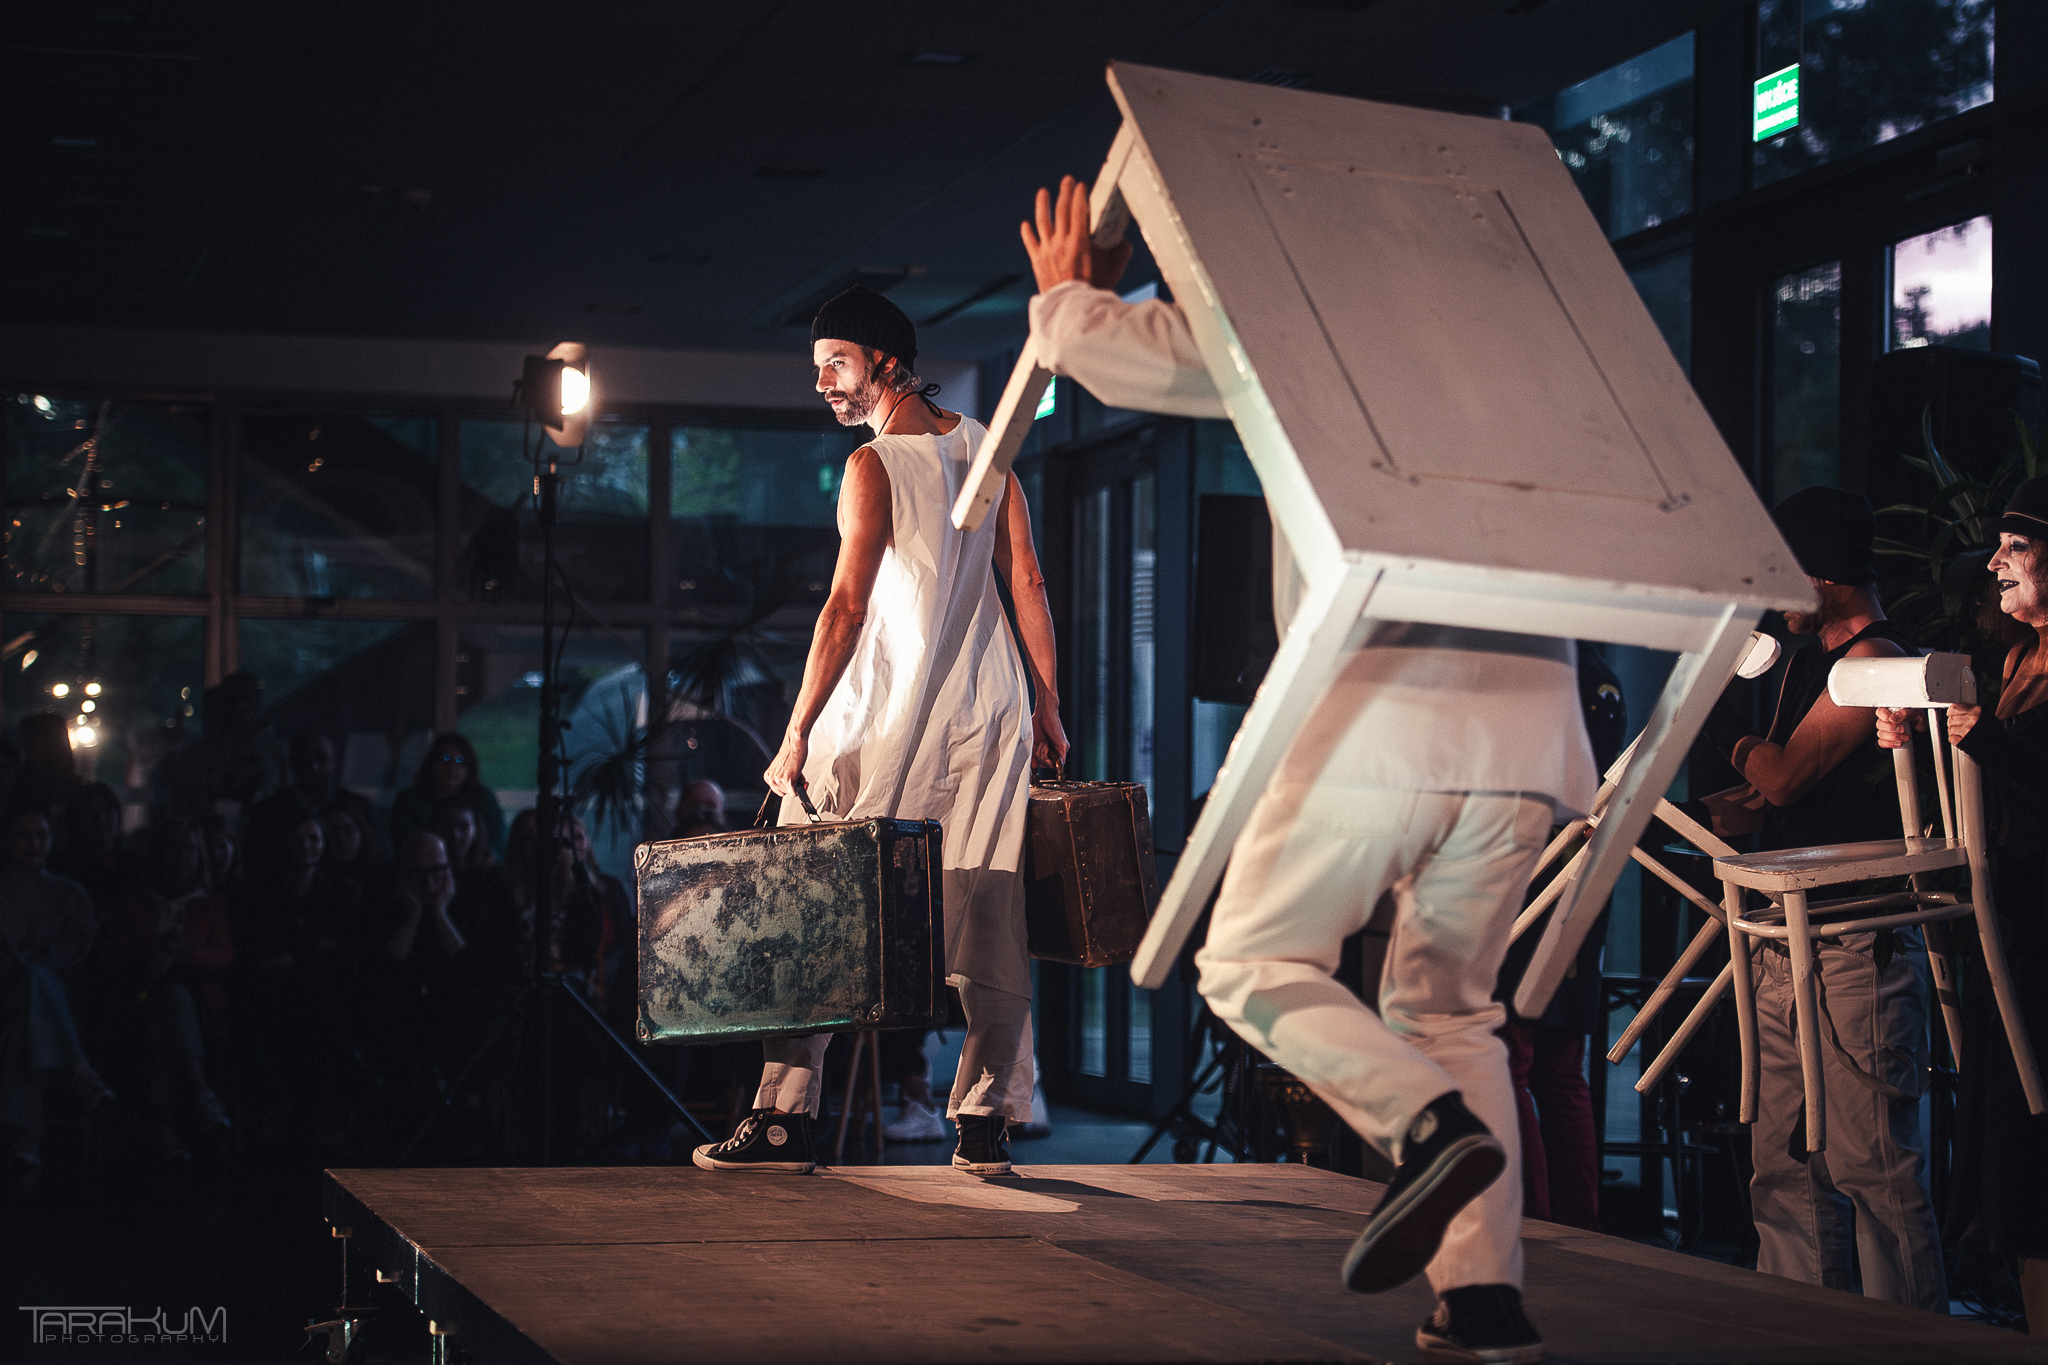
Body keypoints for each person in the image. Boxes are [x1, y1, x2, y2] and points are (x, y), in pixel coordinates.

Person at [1020, 175, 1594, 1362]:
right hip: (1530, 742)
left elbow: (1132, 357)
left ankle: (1423, 1127)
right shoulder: (1534, 347)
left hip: (1380, 714)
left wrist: (1072, 294)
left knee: (1250, 963)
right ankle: (1481, 1295)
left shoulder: (1318, 326)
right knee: (1452, 1011)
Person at [692, 284, 1067, 1178]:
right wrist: (1047, 703)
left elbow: (845, 609)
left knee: (812, 893)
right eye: (818, 366)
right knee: (989, 901)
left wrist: (795, 731)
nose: (822, 381)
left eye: (836, 363)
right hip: (986, 715)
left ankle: (783, 1117)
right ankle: (985, 1122)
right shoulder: (987, 448)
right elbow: (1028, 582)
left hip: (889, 711)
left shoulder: (874, 465)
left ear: (887, 363)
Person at [1703, 485, 1944, 1312]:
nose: (1776, 595)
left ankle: (1911, 1341)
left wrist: (1722, 728)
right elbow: (1771, 798)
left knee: (1870, 1161)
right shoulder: (1814, 665)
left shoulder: (1872, 663)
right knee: (1784, 1162)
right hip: (1788, 934)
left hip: (1853, 942)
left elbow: (1783, 775)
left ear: (1824, 576)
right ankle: (1799, 1328)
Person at [1879, 475, 2048, 1333]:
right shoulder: (2015, 660)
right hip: (2005, 926)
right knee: (2009, 1150)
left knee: (2036, 1144)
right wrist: (1917, 737)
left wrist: (1985, 742)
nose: (1995, 563)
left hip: (2043, 938)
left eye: (2016, 546)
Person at [91, 819, 233, 1165]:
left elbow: (226, 956)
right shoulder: (134, 902)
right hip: (136, 1001)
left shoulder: (210, 905)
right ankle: (201, 1095)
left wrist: (183, 955)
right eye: (174, 848)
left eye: (189, 849)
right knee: (164, 1006)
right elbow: (111, 955)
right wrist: (150, 951)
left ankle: (164, 1128)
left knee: (168, 1010)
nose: (182, 856)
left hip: (196, 1007)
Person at [0, 806, 112, 1191]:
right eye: (23, 835)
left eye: (41, 836)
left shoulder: (69, 895)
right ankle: (79, 1070)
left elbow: (77, 956)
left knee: (28, 1008)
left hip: (58, 1006)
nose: (33, 844)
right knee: (27, 994)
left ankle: (25, 1139)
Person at [245, 731, 385, 878]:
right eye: (304, 760)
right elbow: (255, 864)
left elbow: (378, 857)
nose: (314, 767)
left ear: (334, 762)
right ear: (292, 763)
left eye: (322, 758)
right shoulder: (268, 810)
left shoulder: (359, 806)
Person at [390, 734, 507, 862]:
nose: (452, 767)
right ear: (432, 762)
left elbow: (499, 840)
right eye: (446, 758)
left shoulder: (483, 798)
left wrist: (490, 856)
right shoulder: (410, 800)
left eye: (460, 761)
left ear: (469, 766)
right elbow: (404, 841)